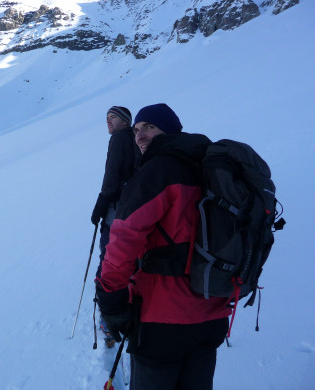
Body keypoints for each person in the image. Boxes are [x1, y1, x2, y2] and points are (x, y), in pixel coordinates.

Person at [95, 103, 231, 389]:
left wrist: (110, 299)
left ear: (169, 130)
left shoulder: (157, 171)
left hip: (163, 320)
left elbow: (124, 239)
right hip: (212, 315)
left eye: (150, 127)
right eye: (137, 129)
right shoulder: (210, 169)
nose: (140, 136)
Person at [91, 105, 139, 347]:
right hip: (135, 211)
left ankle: (108, 318)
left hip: (115, 213)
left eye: (113, 118)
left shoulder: (119, 139)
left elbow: (111, 177)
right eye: (107, 118)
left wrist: (100, 205)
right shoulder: (137, 140)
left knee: (108, 260)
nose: (108, 122)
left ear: (125, 122)